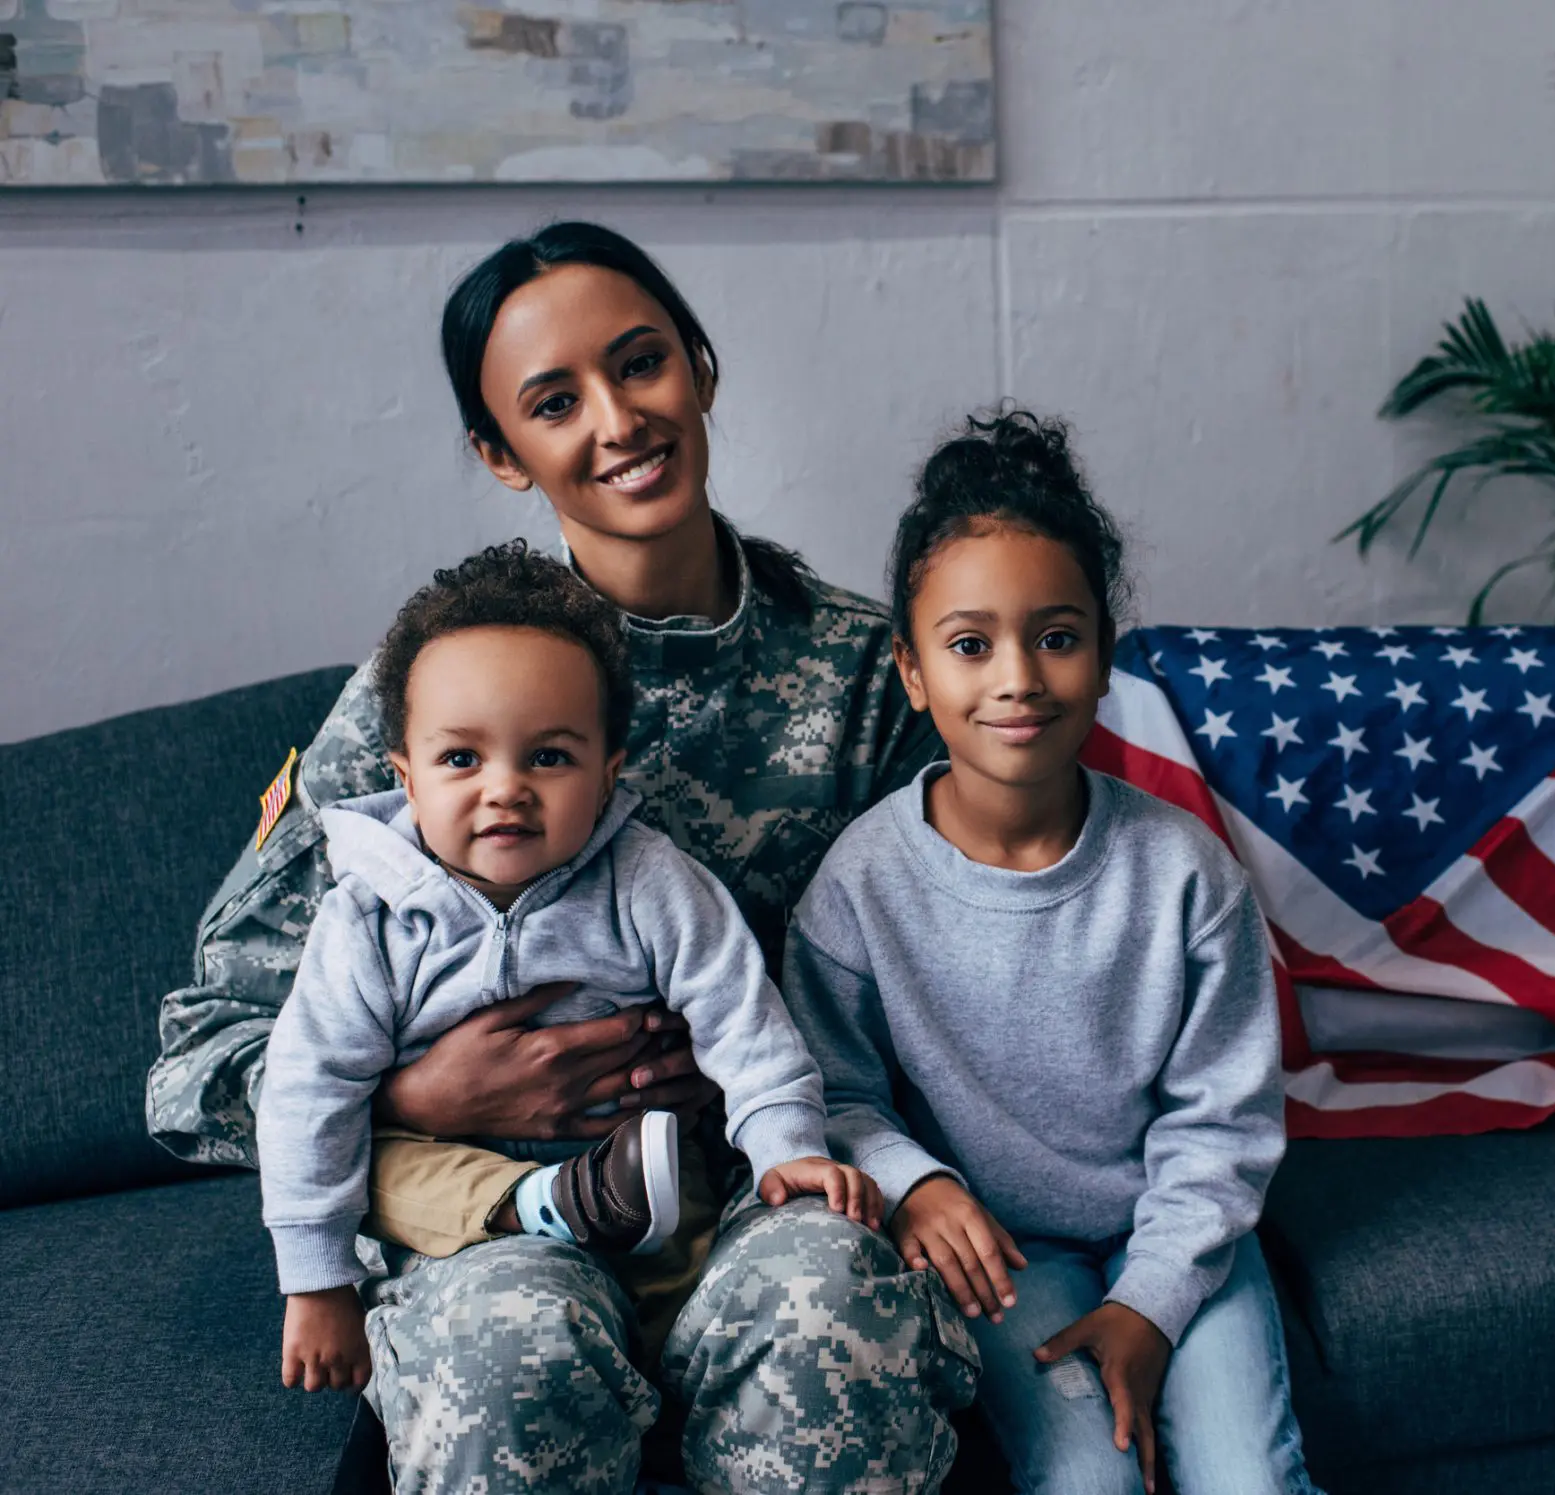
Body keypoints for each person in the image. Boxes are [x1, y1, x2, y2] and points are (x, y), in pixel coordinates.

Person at [146, 222, 974, 1494]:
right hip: (489, 1228)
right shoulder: (434, 691)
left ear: (699, 368)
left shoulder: (872, 674)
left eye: (640, 363)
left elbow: (971, 970)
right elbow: (197, 1061)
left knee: (828, 1306)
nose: (617, 419)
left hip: (755, 1186)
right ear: (499, 454)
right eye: (551, 401)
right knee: (506, 1350)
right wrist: (420, 1096)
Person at [783, 409, 1321, 1495]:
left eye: (1057, 636)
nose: (1016, 677)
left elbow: (1222, 1119)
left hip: (1178, 1235)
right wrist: (914, 1185)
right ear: (912, 670)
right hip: (999, 1254)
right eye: (970, 644)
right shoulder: (861, 881)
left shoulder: (1182, 872)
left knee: (1248, 1483)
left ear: (1102, 656)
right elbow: (829, 1089)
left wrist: (1152, 1302)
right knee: (1090, 1483)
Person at [260, 541, 883, 1395]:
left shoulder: (649, 881)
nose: (505, 788)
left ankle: (668, 1373)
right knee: (384, 1165)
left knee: (685, 1279)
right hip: (451, 1183)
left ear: (607, 769)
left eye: (548, 756)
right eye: (460, 759)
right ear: (404, 777)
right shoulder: (368, 914)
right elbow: (308, 1085)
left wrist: (786, 1147)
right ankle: (546, 1202)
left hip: (640, 1170)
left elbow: (742, 1014)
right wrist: (317, 1279)